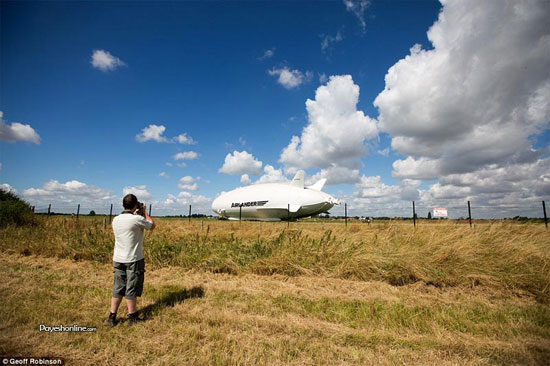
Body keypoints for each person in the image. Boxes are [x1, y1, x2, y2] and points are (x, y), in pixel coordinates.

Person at [107, 193, 155, 327]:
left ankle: (112, 316)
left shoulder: (115, 219)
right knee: (131, 288)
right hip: (133, 259)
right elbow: (151, 225)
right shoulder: (136, 220)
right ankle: (132, 316)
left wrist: (137, 213)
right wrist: (144, 212)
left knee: (118, 287)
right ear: (135, 205)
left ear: (123, 205)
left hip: (118, 258)